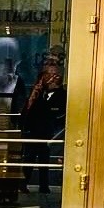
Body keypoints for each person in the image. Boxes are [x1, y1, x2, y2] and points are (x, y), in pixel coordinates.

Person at [20, 53, 67, 194]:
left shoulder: (62, 95)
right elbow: (27, 111)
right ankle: (24, 183)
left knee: (44, 160)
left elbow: (60, 113)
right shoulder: (36, 93)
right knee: (29, 159)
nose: (51, 77)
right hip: (32, 132)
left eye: (54, 74)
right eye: (47, 73)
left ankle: (44, 186)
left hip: (49, 133)